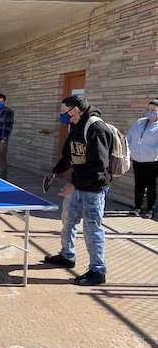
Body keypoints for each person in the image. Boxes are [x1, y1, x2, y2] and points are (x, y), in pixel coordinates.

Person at [43, 95, 112, 286]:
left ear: (75, 110)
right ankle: (67, 255)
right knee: (68, 221)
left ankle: (98, 271)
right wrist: (55, 172)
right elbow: (69, 155)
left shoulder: (96, 129)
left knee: (92, 229)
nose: (61, 114)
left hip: (93, 189)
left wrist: (74, 184)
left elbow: (98, 166)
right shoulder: (74, 126)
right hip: (77, 185)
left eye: (64, 110)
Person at [125, 99, 158, 219]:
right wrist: (127, 149)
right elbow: (130, 135)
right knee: (138, 184)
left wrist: (153, 152)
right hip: (137, 160)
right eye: (148, 109)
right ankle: (137, 206)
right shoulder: (140, 122)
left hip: (152, 161)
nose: (150, 112)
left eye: (153, 110)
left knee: (151, 186)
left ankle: (150, 209)